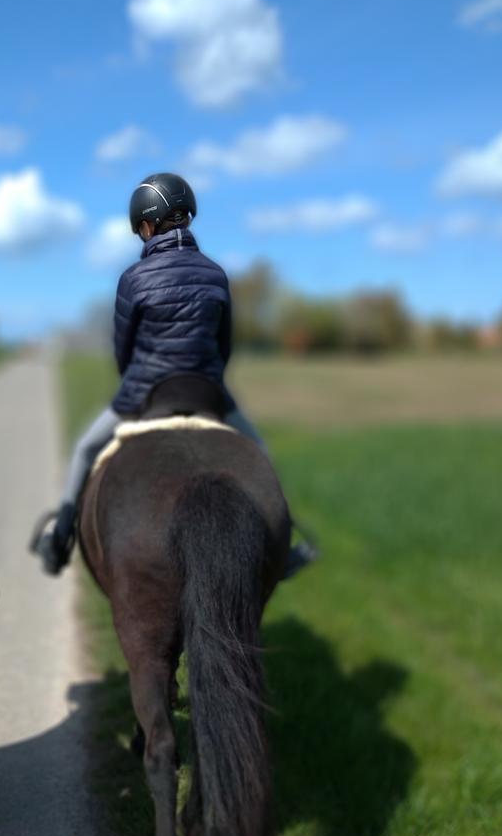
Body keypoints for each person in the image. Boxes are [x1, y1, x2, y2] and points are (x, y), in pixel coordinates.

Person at [31, 172, 316, 578]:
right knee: (260, 455)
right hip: (207, 392)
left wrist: (135, 385)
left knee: (85, 450)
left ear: (146, 226)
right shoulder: (216, 274)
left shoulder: (133, 278)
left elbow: (123, 350)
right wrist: (210, 380)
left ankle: (60, 538)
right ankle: (283, 548)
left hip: (146, 393)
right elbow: (224, 346)